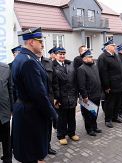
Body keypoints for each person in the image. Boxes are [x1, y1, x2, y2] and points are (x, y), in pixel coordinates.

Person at [11, 27, 58, 163]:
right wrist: (53, 114)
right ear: (31, 42)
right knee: (32, 153)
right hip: (31, 114)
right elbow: (38, 94)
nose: (42, 44)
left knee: (29, 152)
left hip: (25, 110)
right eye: (40, 41)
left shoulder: (21, 57)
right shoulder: (29, 61)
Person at [52, 47, 79, 145]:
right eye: (60, 54)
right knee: (61, 118)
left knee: (72, 117)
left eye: (64, 54)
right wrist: (56, 98)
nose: (62, 56)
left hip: (71, 96)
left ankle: (72, 133)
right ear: (55, 55)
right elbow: (52, 85)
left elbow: (75, 81)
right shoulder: (52, 66)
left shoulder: (70, 64)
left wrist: (76, 95)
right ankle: (61, 135)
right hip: (60, 98)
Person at [98, 39, 122, 128]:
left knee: (117, 102)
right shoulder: (103, 57)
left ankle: (115, 116)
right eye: (113, 46)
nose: (115, 47)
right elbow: (103, 73)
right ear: (108, 47)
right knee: (109, 103)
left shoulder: (115, 55)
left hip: (119, 85)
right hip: (110, 86)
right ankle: (108, 119)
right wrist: (106, 86)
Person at [77, 50, 102, 136]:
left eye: (91, 57)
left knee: (95, 112)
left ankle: (94, 127)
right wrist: (84, 96)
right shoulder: (81, 69)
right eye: (89, 57)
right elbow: (81, 85)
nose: (92, 58)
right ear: (84, 59)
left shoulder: (94, 66)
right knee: (88, 114)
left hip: (97, 94)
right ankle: (89, 129)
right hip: (88, 97)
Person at [41, 56, 57, 155]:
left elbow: (55, 82)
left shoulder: (48, 62)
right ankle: (39, 149)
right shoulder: (29, 61)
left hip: (49, 100)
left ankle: (47, 146)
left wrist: (56, 97)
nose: (42, 46)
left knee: (48, 125)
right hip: (36, 102)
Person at [0, 62, 13, 163]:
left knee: (6, 138)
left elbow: (10, 89)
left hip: (4, 111)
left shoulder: (5, 67)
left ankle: (7, 159)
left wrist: (12, 109)